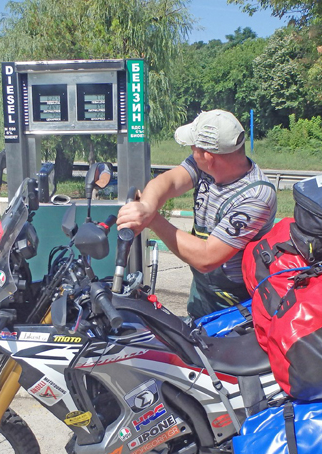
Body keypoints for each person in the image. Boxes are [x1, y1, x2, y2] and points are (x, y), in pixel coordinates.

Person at [117, 109, 278, 319]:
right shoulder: (206, 166)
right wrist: (146, 206)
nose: (191, 153)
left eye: (194, 148)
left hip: (236, 307)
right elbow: (169, 181)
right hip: (202, 292)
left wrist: (153, 220)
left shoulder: (255, 196)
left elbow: (206, 257)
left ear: (208, 156)